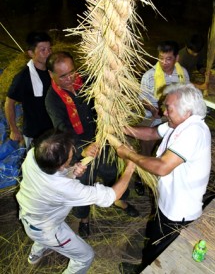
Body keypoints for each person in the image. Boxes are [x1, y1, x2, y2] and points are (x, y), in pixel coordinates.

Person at [114, 83, 211, 274]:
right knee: (153, 237)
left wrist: (130, 155)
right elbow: (151, 133)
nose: (163, 112)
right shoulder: (180, 123)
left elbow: (162, 167)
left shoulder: (194, 132)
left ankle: (146, 269)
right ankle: (143, 266)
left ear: (187, 112)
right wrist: (121, 128)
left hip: (179, 211)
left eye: (169, 108)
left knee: (160, 250)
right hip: (168, 202)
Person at [45, 51, 139, 238]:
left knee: (110, 171)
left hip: (101, 140)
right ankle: (84, 219)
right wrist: (82, 148)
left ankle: (118, 200)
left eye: (72, 72)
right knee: (82, 185)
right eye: (63, 76)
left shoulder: (86, 80)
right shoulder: (52, 99)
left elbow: (103, 103)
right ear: (51, 75)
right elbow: (63, 130)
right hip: (78, 151)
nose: (70, 78)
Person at [16, 130, 136, 274]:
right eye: (71, 152)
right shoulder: (66, 189)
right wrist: (130, 167)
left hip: (30, 214)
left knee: (41, 237)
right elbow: (112, 195)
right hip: (48, 228)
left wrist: (72, 171)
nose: (74, 149)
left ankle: (34, 256)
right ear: (61, 165)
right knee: (85, 257)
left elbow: (54, 178)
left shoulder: (34, 155)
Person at [135, 41, 190, 196]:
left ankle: (169, 170)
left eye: (168, 59)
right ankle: (141, 176)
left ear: (176, 58)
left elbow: (185, 95)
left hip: (174, 115)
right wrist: (153, 109)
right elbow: (142, 99)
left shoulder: (183, 73)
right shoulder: (150, 76)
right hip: (154, 116)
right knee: (146, 142)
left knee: (178, 141)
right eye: (161, 58)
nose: (164, 62)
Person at [5, 31, 53, 149]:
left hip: (54, 128)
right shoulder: (23, 77)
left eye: (49, 49)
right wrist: (14, 129)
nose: (48, 53)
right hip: (35, 134)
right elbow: (9, 103)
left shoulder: (53, 70)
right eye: (43, 50)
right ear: (31, 53)